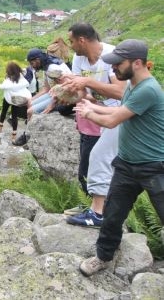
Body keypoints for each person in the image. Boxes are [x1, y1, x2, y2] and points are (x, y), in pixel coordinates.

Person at [76, 39, 164, 277]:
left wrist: (89, 113)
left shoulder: (148, 89)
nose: (113, 68)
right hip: (126, 164)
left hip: (154, 166)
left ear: (137, 63)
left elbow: (113, 121)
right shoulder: (132, 86)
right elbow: (117, 110)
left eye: (117, 64)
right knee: (112, 214)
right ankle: (102, 257)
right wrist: (90, 105)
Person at [60, 24, 124, 227]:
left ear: (82, 40)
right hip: (92, 114)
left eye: (71, 41)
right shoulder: (79, 59)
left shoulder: (111, 55)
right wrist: (68, 91)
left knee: (102, 159)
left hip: (117, 115)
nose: (70, 46)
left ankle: (99, 213)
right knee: (90, 163)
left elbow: (121, 92)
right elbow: (83, 92)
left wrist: (87, 82)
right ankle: (98, 207)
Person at [0, 62, 31, 141]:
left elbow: (4, 86)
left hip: (8, 98)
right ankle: (14, 134)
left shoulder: (9, 78)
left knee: (4, 111)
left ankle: (0, 127)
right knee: (14, 115)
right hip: (16, 99)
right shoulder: (21, 76)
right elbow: (24, 70)